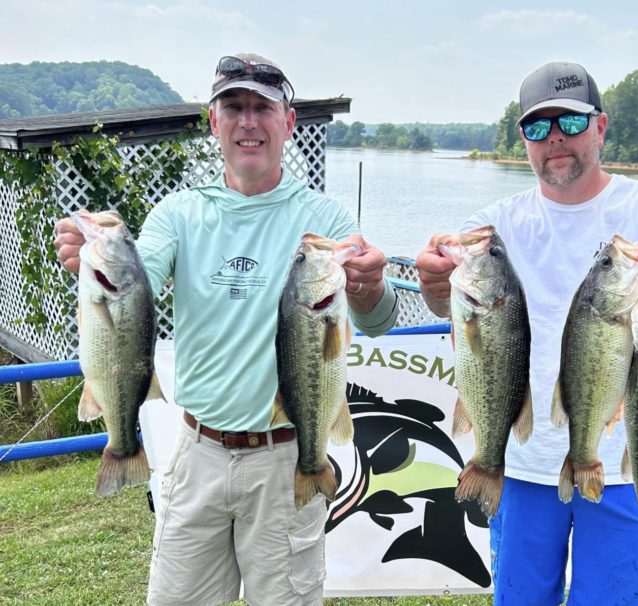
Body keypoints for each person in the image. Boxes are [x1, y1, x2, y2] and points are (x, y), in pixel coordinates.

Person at [54, 52, 399, 606]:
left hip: (289, 455)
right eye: (233, 107)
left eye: (263, 108)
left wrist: (368, 287)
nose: (248, 122)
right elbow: (137, 282)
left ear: (289, 123)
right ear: (213, 123)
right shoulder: (177, 214)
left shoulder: (327, 220)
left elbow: (378, 323)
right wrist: (96, 261)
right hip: (197, 453)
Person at [416, 61, 638, 605]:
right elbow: (452, 302)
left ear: (601, 127)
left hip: (623, 469)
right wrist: (433, 280)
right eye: (538, 127)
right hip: (522, 462)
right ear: (523, 141)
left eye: (571, 123)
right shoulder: (495, 222)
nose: (554, 138)